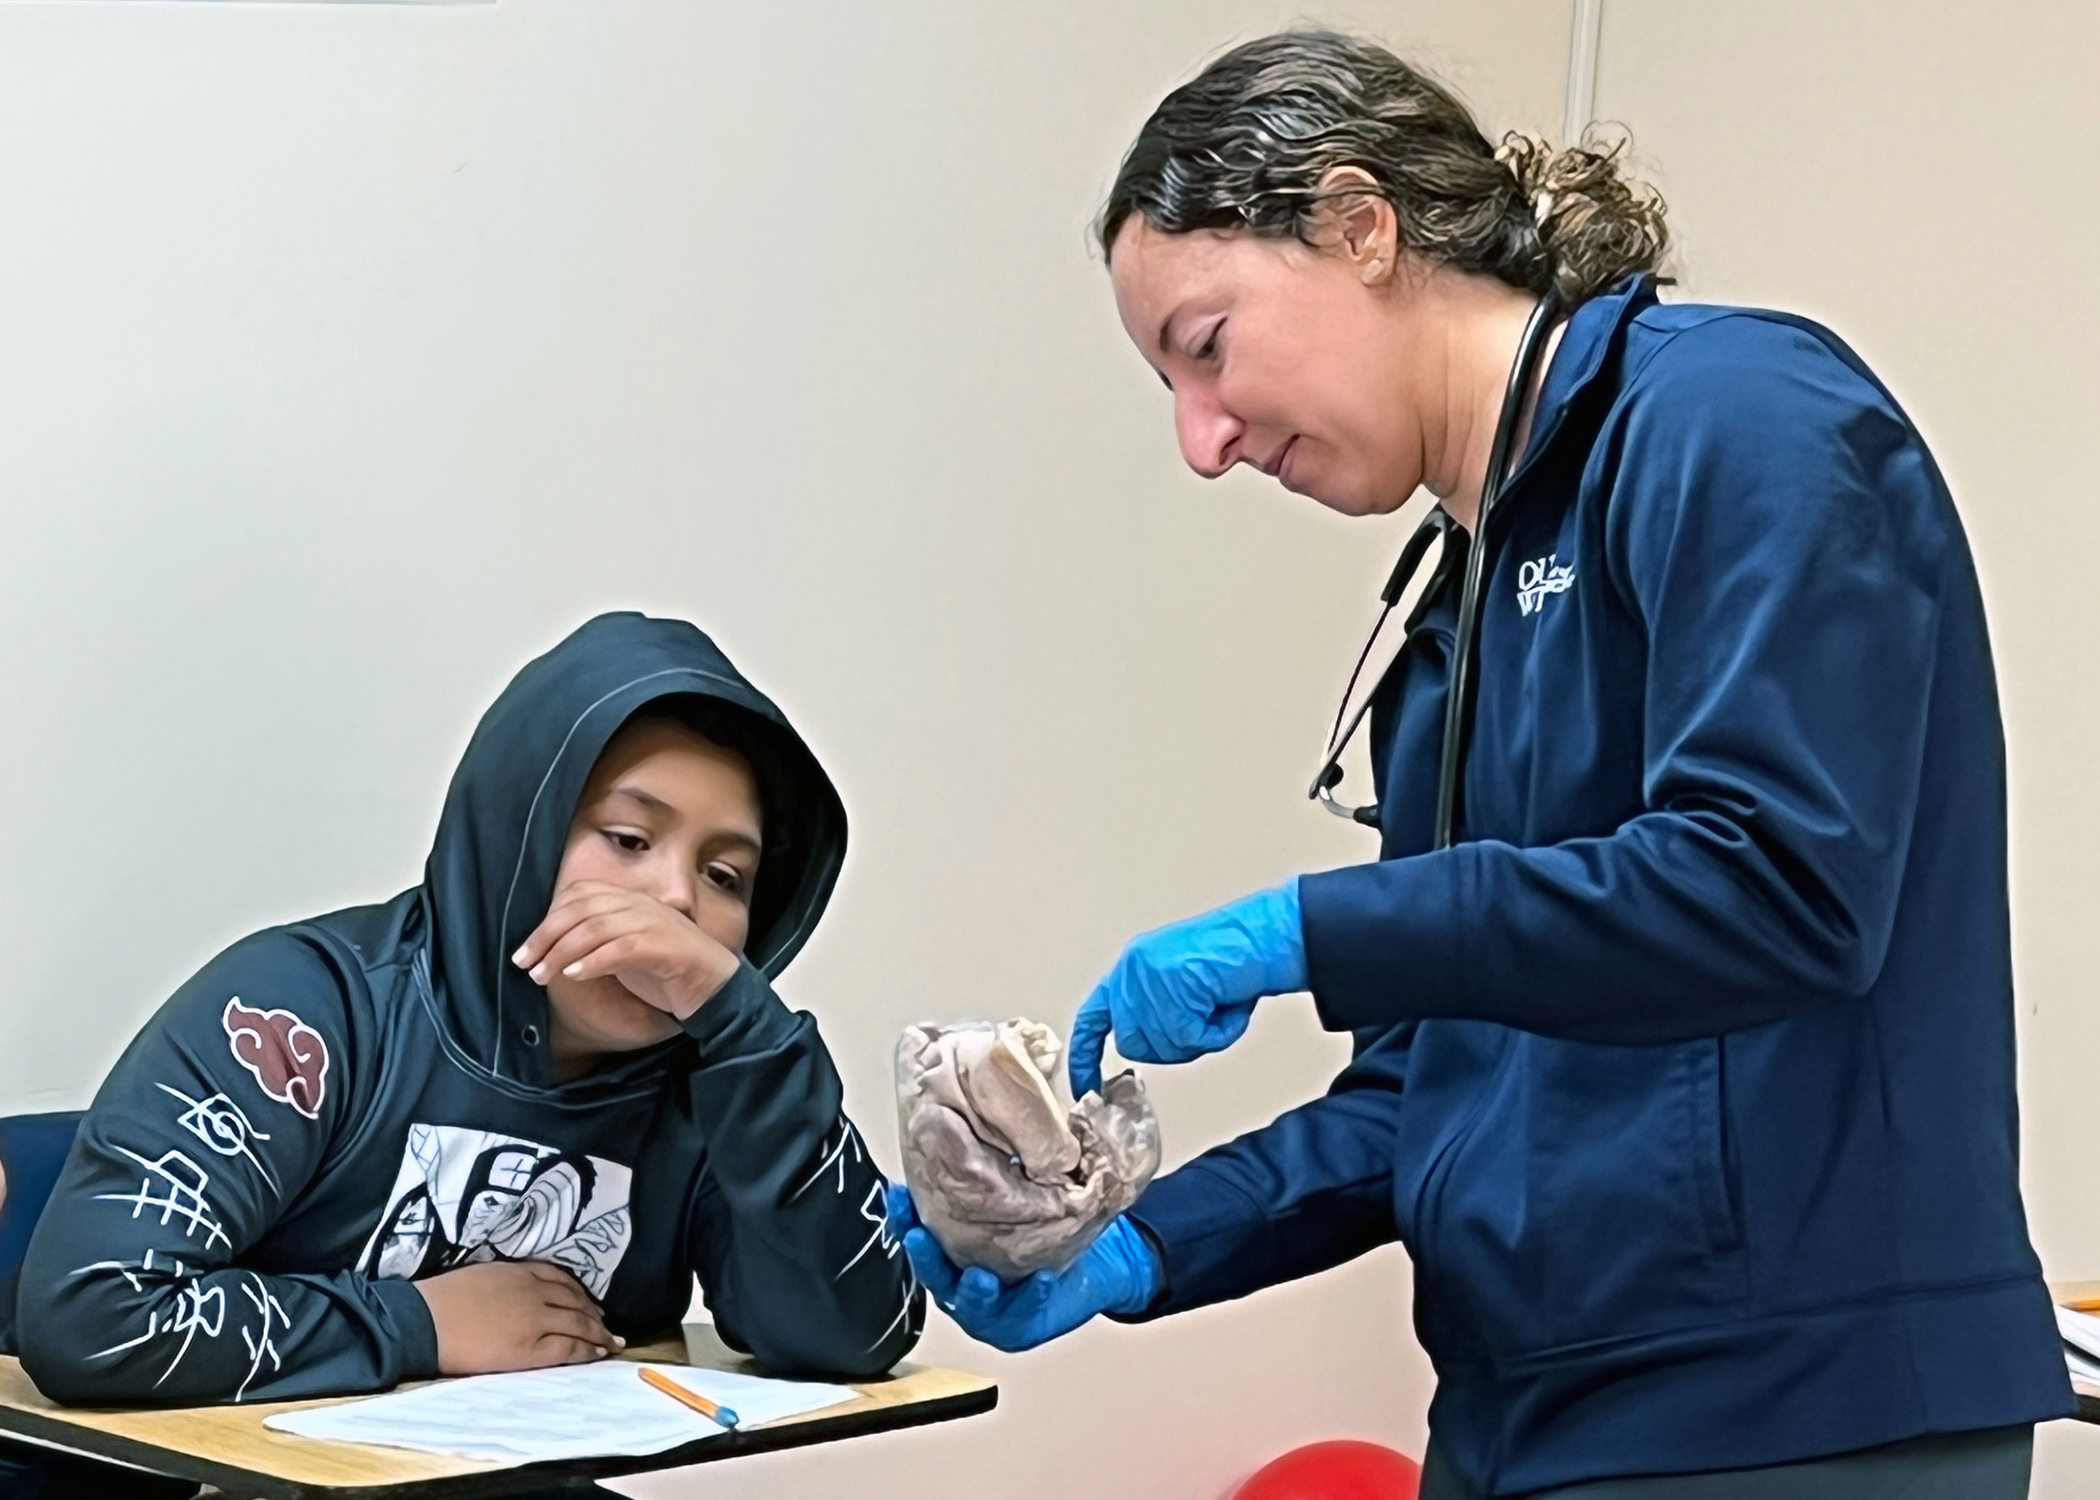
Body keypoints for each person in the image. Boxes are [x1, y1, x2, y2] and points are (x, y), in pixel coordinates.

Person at [890, 28, 2073, 1500]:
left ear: (1359, 224)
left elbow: (1780, 885)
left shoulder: (1737, 419)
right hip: (1525, 1422)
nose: (1203, 442)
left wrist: (1307, 935)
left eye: (1206, 348)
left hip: (1792, 1415)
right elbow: (1425, 1093)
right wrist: (1143, 1248)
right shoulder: (1450, 619)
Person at [0, 611, 920, 1498]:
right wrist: (423, 1322)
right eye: (628, 839)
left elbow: (852, 1336)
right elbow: (96, 1313)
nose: (675, 897)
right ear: (515, 833)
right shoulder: (311, 1008)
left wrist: (747, 1030)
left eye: (727, 877)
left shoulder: (714, 1086)